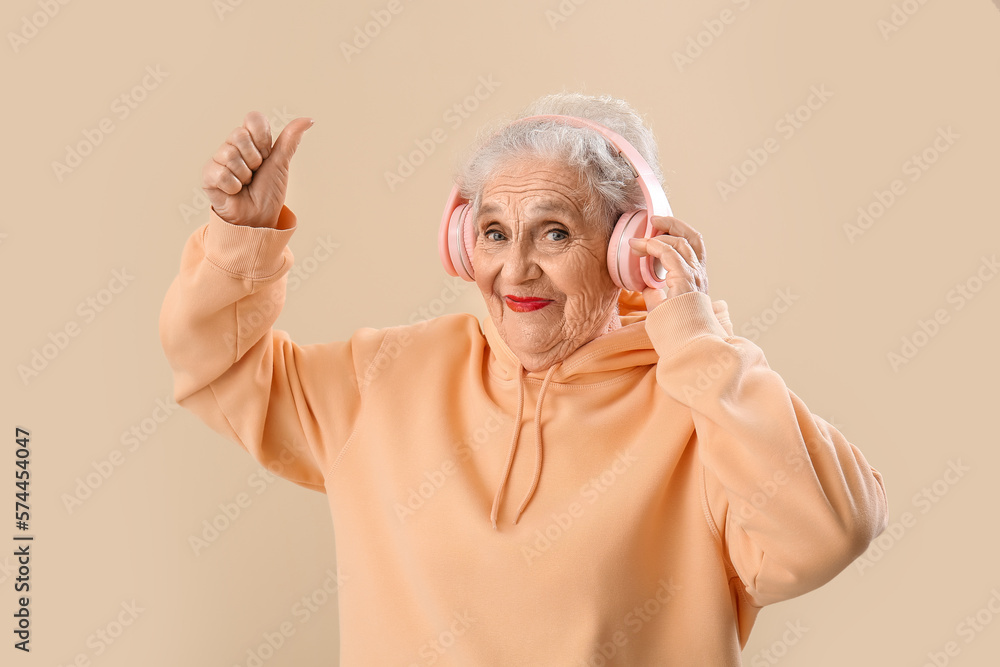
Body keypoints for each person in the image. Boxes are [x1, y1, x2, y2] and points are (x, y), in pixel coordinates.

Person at [159, 92, 889, 666]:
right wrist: (240, 240)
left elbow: (825, 533)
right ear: (460, 243)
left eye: (556, 231)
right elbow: (216, 368)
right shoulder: (384, 377)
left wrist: (695, 332)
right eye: (494, 233)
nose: (516, 269)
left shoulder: (702, 401)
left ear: (631, 248)